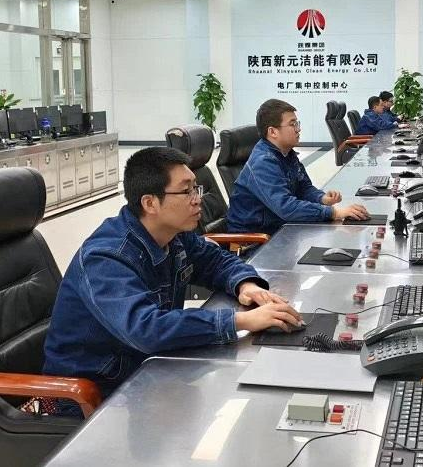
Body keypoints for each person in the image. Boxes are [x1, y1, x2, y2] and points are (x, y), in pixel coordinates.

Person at [43, 147, 302, 404]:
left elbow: (214, 261)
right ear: (150, 203)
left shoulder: (174, 234)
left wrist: (246, 285)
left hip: (149, 369)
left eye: (196, 188)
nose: (197, 199)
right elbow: (145, 329)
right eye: (186, 191)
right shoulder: (106, 258)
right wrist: (240, 321)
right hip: (92, 395)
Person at [227, 99, 369, 234]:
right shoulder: (263, 162)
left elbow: (304, 188)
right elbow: (286, 207)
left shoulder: (287, 153)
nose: (298, 129)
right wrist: (334, 212)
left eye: (297, 123)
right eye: (292, 124)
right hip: (254, 240)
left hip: (280, 227)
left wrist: (322, 198)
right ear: (272, 132)